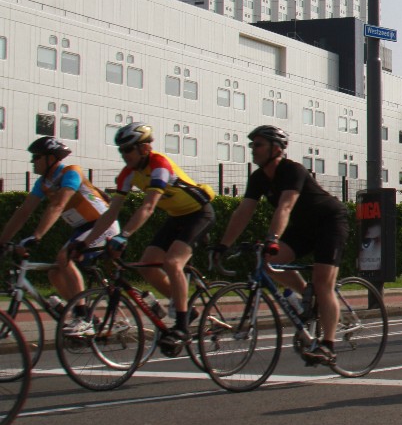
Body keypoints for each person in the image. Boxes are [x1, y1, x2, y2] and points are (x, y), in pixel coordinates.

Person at [215, 125, 351, 365]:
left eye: (258, 145)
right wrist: (223, 245)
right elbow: (243, 212)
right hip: (303, 228)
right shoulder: (258, 178)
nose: (253, 149)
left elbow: (285, 207)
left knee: (323, 283)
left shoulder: (292, 170)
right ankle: (305, 295)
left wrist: (273, 238)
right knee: (268, 263)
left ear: (276, 149)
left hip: (329, 222)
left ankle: (328, 345)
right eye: (252, 145)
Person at [78, 123, 215, 356]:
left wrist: (124, 236)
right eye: (121, 150)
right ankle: (186, 308)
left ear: (144, 148)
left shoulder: (159, 165)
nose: (124, 155)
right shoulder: (128, 173)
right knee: (147, 265)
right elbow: (111, 213)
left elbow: (148, 206)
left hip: (199, 214)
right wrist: (86, 242)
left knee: (173, 263)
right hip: (176, 216)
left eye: (128, 149)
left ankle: (182, 325)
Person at [0, 138, 118, 335]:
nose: (32, 161)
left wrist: (37, 236)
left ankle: (83, 318)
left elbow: (58, 205)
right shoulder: (43, 183)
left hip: (102, 225)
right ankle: (86, 315)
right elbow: (24, 212)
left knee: (64, 257)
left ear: (51, 158)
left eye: (36, 157)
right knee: (54, 272)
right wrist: (2, 241)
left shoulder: (71, 172)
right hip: (83, 228)